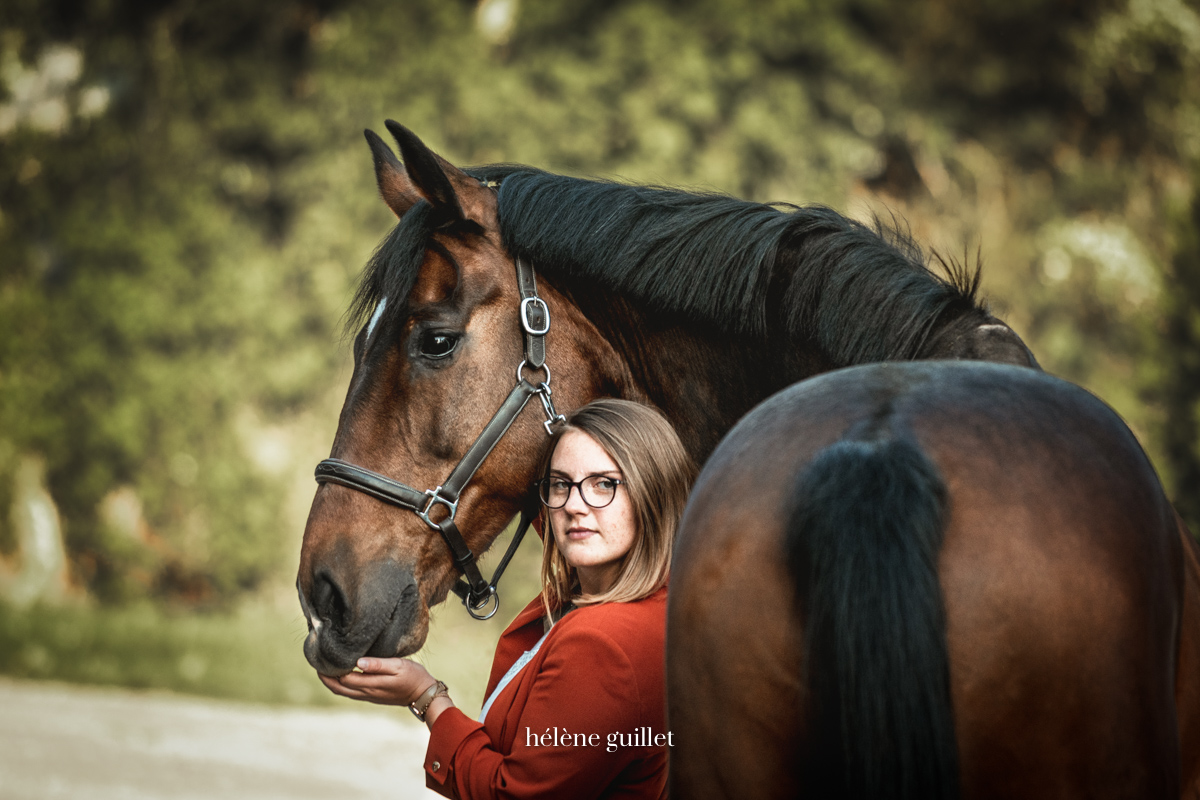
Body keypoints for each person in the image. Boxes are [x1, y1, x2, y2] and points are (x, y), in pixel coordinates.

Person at [319, 398, 695, 799]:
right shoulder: (662, 601)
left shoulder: (603, 644)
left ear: (653, 492)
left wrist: (427, 698)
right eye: (560, 483)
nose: (573, 506)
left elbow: (511, 794)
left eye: (604, 483)